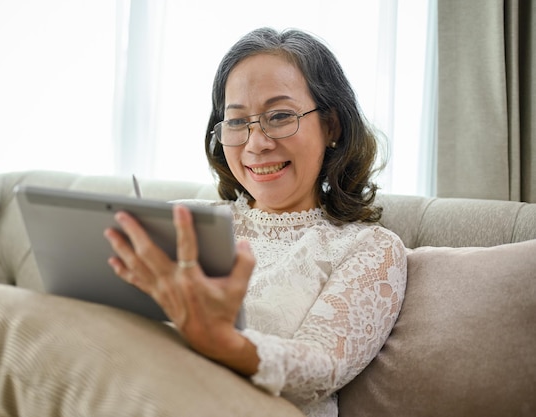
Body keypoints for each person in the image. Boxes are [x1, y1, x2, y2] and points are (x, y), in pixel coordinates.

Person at [103, 27, 407, 417]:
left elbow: (321, 366)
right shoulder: (180, 221)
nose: (256, 143)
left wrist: (223, 342)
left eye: (279, 116)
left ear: (331, 125)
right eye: (236, 122)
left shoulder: (370, 249)